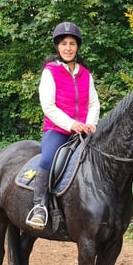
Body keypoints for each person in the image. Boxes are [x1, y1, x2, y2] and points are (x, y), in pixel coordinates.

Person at [26, 21, 100, 228]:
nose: (68, 48)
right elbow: (48, 106)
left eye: (72, 44)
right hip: (58, 129)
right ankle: (39, 205)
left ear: (77, 47)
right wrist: (71, 124)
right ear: (57, 47)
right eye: (64, 44)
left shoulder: (86, 74)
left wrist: (90, 123)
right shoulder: (50, 72)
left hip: (85, 130)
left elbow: (94, 103)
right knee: (48, 159)